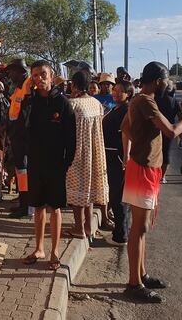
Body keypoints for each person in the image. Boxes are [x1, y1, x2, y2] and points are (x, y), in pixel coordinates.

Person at [121, 61, 182, 303]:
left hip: (146, 168)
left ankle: (141, 274)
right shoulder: (144, 100)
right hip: (143, 168)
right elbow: (173, 131)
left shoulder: (143, 101)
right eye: (166, 80)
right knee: (138, 228)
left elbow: (125, 127)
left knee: (141, 228)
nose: (167, 85)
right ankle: (134, 283)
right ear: (157, 80)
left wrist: (127, 155)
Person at [21, 60, 76, 271]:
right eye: (34, 75)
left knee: (55, 208)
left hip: (56, 164)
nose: (39, 79)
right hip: (35, 162)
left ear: (51, 76)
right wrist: (26, 95)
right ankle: (38, 249)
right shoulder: (31, 102)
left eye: (43, 74)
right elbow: (20, 124)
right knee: (38, 207)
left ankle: (54, 251)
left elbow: (71, 137)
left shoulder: (62, 103)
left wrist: (66, 163)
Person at [65, 71, 109, 242]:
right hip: (95, 151)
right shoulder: (96, 103)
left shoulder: (72, 104)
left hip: (78, 151)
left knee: (78, 189)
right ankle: (89, 227)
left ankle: (78, 228)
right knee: (89, 189)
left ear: (74, 85)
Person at [103, 80, 134, 246]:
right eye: (114, 90)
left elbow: (126, 135)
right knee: (116, 194)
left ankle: (121, 235)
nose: (115, 93)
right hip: (111, 155)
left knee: (118, 196)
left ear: (128, 94)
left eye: (119, 91)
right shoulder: (117, 108)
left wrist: (126, 157)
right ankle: (121, 231)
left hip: (117, 156)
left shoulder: (126, 110)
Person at [6, 59, 32, 218]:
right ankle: (23, 203)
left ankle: (27, 207)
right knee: (20, 173)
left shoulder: (28, 88)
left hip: (23, 140)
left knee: (24, 173)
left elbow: (25, 117)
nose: (10, 74)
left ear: (21, 72)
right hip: (17, 139)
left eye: (12, 71)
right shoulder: (19, 88)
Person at [155, 80, 182, 183]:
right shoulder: (173, 101)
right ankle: (162, 176)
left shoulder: (155, 99)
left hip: (155, 129)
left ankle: (154, 174)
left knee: (154, 152)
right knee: (166, 151)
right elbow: (181, 117)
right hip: (168, 130)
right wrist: (181, 134)